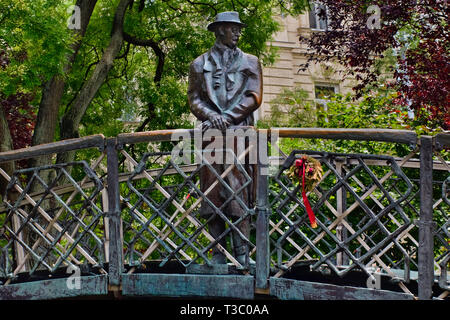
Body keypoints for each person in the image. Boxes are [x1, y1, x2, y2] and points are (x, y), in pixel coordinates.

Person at [187, 11, 263, 266]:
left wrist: (227, 117)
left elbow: (254, 97)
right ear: (220, 30)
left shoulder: (251, 62)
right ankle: (217, 252)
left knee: (240, 189)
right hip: (210, 138)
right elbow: (194, 99)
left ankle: (242, 253)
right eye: (234, 29)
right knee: (212, 192)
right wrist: (211, 115)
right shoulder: (199, 65)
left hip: (240, 135)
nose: (239, 33)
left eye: (239, 29)